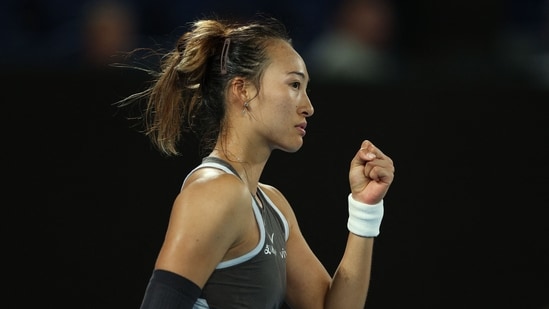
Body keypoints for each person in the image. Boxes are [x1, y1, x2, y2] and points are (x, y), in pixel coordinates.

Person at [118, 15, 395, 309]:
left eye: (305, 88)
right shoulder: (214, 192)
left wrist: (365, 209)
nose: (308, 107)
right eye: (294, 84)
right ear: (243, 90)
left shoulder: (273, 205)